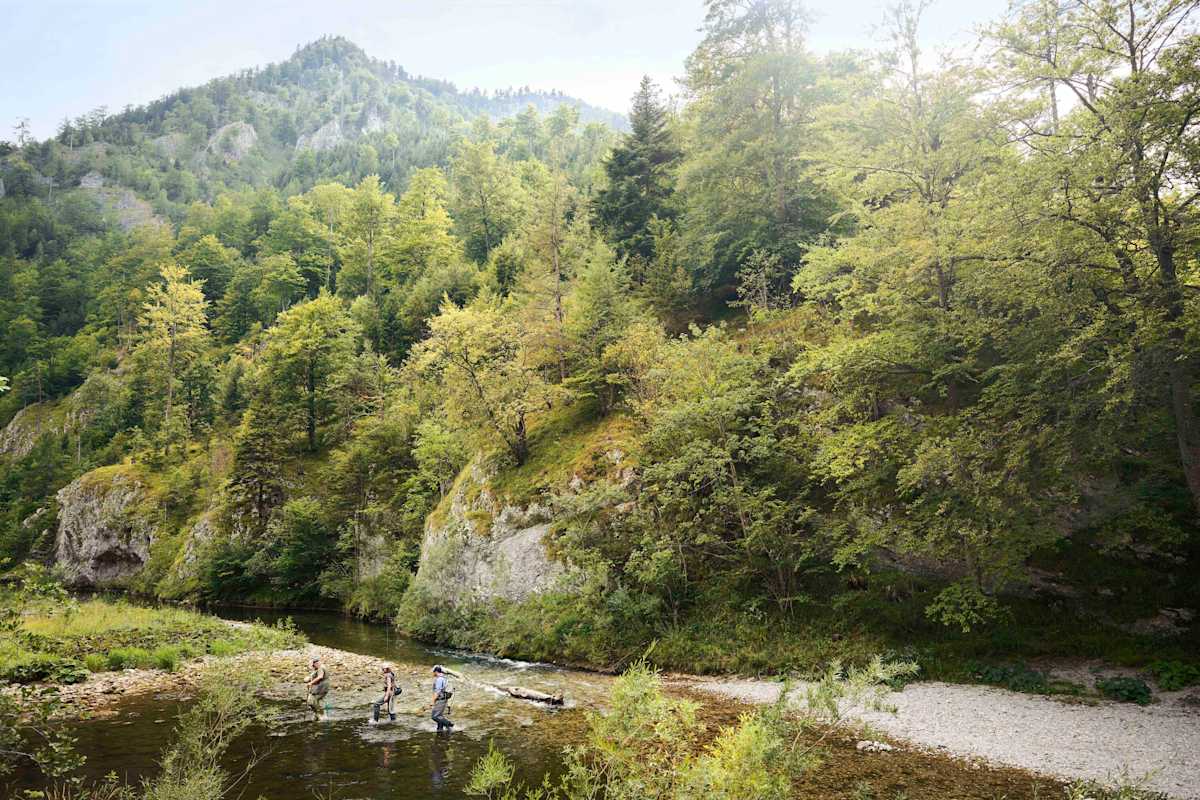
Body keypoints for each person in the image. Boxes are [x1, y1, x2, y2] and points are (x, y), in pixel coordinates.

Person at [430, 664, 454, 731]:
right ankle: (440, 729)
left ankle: (450, 724)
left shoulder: (439, 679)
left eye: (433, 672)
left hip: (441, 700)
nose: (432, 673)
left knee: (435, 716)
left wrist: (432, 701)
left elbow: (437, 691)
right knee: (439, 715)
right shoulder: (443, 678)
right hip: (443, 699)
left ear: (436, 672)